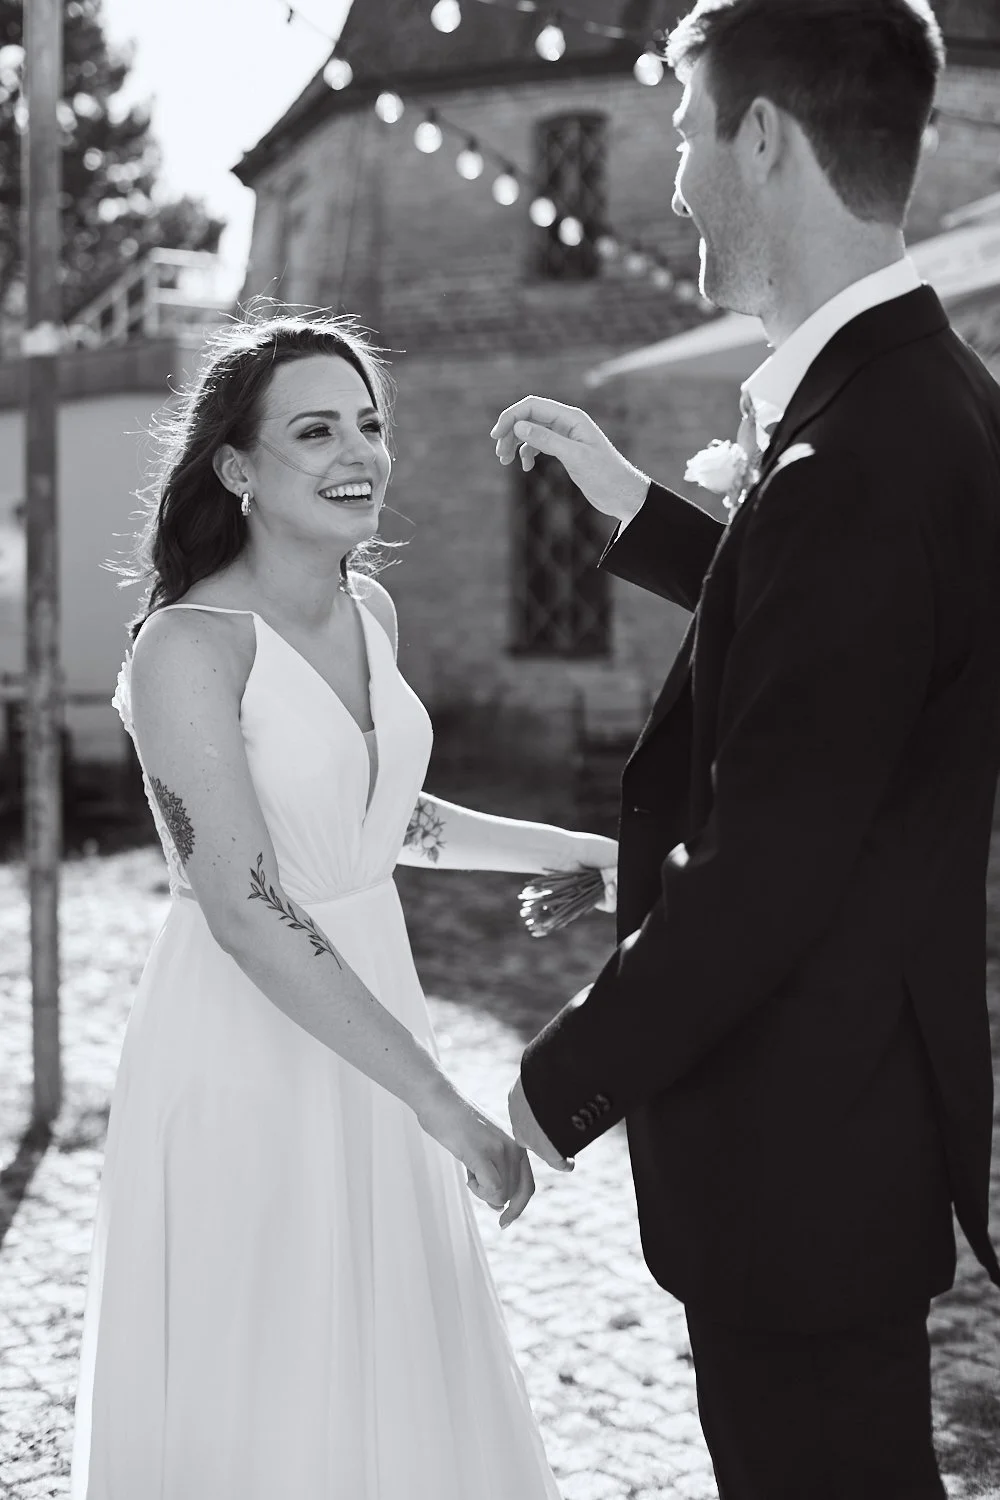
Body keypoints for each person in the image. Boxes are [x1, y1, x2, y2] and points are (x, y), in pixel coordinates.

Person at [492, 2, 1000, 1496]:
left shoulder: (856, 457)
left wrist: (553, 1087)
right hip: (852, 1130)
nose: (668, 185)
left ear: (760, 136)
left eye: (679, 134)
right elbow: (835, 661)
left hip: (801, 1146)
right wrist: (641, 509)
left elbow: (770, 863)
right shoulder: (927, 404)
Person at [70, 312, 616, 1500]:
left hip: (375, 1007)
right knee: (268, 1366)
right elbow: (248, 902)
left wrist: (574, 847)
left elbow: (381, 818)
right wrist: (443, 1106)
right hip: (251, 1039)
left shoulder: (370, 612)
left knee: (387, 1357)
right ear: (236, 467)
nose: (355, 452)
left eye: (368, 424)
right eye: (312, 430)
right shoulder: (188, 648)